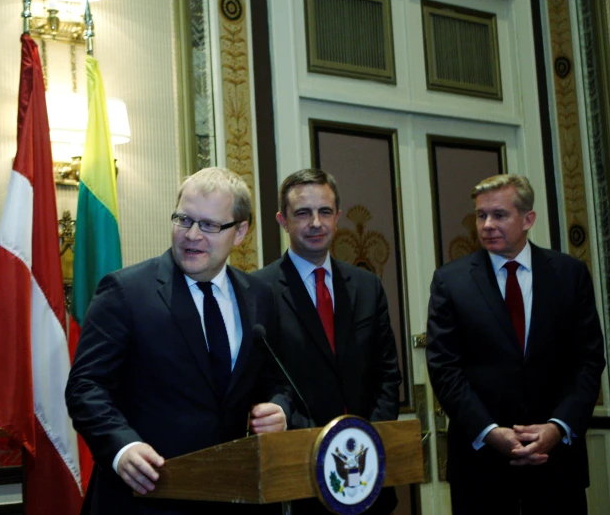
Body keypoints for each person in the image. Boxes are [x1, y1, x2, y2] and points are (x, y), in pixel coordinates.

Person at [65, 167, 292, 515]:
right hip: (144, 497)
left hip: (233, 494)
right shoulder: (125, 292)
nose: (192, 235)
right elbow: (85, 387)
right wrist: (122, 448)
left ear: (241, 232)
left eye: (210, 225)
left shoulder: (259, 296)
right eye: (183, 219)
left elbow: (276, 381)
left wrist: (279, 409)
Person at [426, 174, 605, 515]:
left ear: (528, 219)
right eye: (481, 216)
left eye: (499, 215)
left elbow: (588, 361)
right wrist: (490, 432)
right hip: (481, 468)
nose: (487, 225)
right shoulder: (451, 281)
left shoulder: (569, 275)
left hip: (557, 466)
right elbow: (444, 367)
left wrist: (557, 427)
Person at [254, 169, 401, 515]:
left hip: (369, 470)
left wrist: (370, 436)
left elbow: (387, 374)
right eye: (303, 213)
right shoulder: (260, 291)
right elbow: (263, 382)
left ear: (337, 216)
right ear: (283, 221)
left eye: (324, 212)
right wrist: (322, 440)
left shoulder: (367, 286)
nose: (315, 223)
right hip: (299, 470)